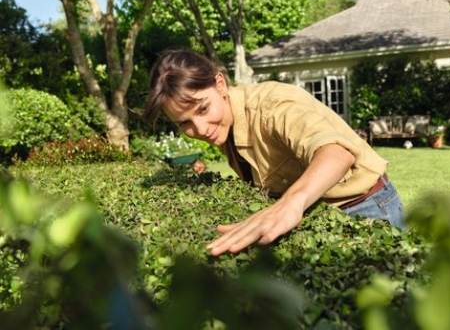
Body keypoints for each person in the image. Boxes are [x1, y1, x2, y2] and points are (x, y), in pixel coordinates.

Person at [144, 49, 406, 257]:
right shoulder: (227, 123)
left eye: (202, 109)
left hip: (366, 208)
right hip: (319, 214)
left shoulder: (272, 105)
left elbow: (337, 152)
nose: (200, 129)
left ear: (220, 84)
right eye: (184, 123)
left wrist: (289, 203)